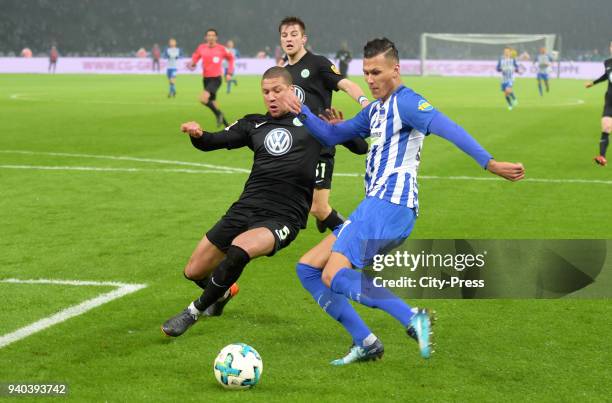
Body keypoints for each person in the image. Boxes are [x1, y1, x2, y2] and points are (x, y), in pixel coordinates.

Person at [281, 37, 525, 365]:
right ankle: (365, 342)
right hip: (377, 207)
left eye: (376, 72)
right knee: (309, 268)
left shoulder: (407, 103)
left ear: (396, 70)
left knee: (333, 275)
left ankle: (411, 317)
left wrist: (489, 163)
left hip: (389, 204)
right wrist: (304, 112)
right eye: (366, 72)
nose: (369, 79)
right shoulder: (377, 111)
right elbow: (332, 135)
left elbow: (448, 127)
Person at [161, 66, 323, 337]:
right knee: (193, 270)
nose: (271, 97)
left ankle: (192, 312)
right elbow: (213, 141)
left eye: (277, 91)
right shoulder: (254, 124)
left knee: (240, 248)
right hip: (245, 207)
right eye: (266, 92)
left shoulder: (311, 125)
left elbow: (357, 145)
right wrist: (198, 135)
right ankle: (222, 293)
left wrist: (339, 128)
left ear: (292, 91)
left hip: (283, 216)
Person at [279, 16, 369, 236]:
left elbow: (345, 83)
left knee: (318, 208)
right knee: (299, 201)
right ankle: (324, 216)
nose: (289, 39)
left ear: (303, 39)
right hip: (296, 146)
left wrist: (365, 103)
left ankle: (355, 239)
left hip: (320, 143)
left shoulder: (318, 63)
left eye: (294, 34)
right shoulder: (282, 72)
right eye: (284, 35)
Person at [189, 29, 234, 127]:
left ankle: (219, 114)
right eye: (209, 35)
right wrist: (193, 63)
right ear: (206, 37)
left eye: (213, 35)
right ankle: (227, 125)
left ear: (216, 37)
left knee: (203, 99)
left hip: (216, 79)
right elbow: (196, 57)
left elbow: (231, 58)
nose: (211, 37)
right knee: (213, 103)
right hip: (206, 79)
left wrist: (229, 73)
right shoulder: (201, 47)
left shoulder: (221, 49)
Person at [585, 41, 612, 166]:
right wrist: (593, 83)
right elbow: (607, 76)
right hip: (610, 100)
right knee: (606, 127)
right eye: (611, 46)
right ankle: (602, 156)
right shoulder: (607, 62)